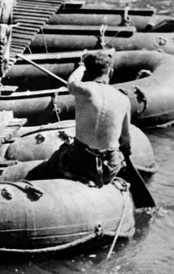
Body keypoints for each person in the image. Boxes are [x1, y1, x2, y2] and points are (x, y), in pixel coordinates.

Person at [25, 52, 132, 187]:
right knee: (118, 157)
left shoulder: (82, 89)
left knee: (55, 159)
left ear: (88, 71)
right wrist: (125, 154)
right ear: (110, 72)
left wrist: (81, 67)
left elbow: (71, 81)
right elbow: (126, 137)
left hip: (78, 162)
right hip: (108, 167)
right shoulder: (123, 99)